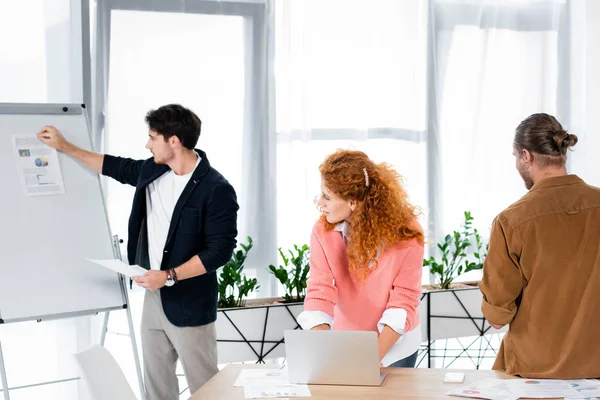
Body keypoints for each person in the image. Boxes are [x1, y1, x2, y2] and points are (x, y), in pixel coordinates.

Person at [38, 104, 238, 399]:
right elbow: (112, 166)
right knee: (156, 386)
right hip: (154, 297)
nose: (147, 144)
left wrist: (169, 275)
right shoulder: (153, 170)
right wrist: (65, 146)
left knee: (206, 388)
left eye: (153, 137)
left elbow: (220, 251)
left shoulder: (216, 188)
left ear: (174, 141)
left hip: (189, 302)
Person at [480, 113, 600, 379]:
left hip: (535, 372)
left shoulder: (510, 221)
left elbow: (496, 317)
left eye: (515, 157)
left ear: (526, 156)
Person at [297, 149, 424, 368]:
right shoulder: (322, 231)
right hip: (346, 341)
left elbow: (404, 299)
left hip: (395, 347)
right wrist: (325, 353)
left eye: (327, 197)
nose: (320, 202)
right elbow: (320, 291)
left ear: (353, 202)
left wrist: (372, 359)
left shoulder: (407, 232)